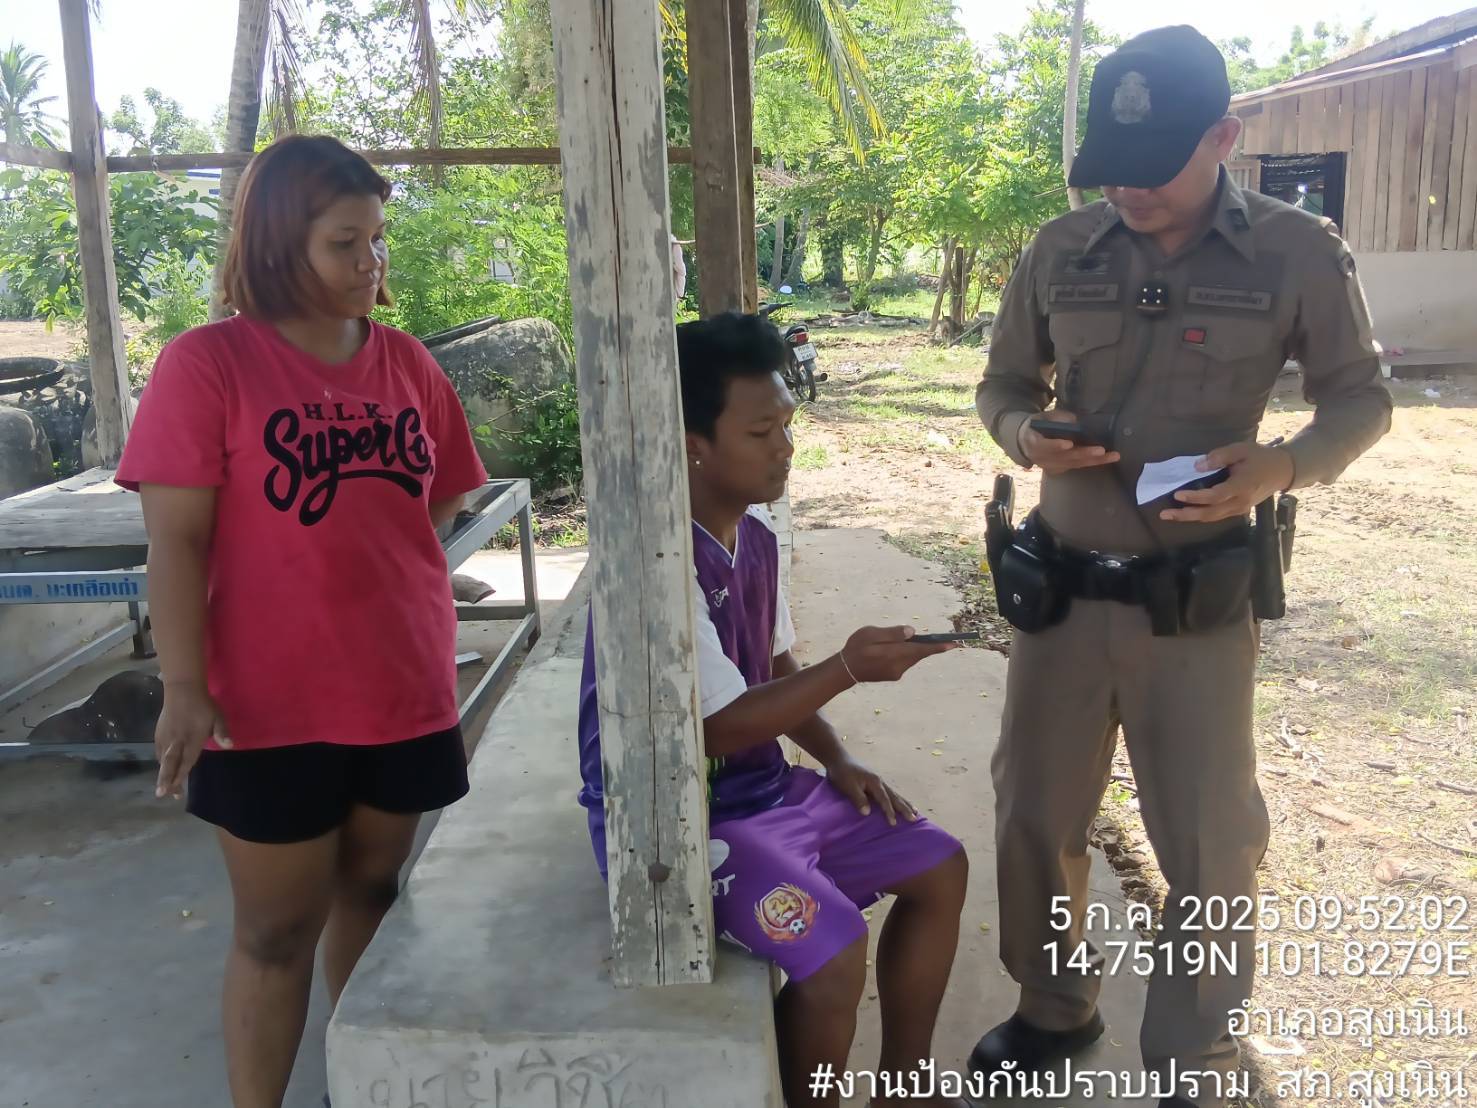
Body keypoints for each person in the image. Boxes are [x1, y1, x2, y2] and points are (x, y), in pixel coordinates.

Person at [971, 26, 1391, 1108]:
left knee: (1208, 840)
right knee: (1032, 816)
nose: (1127, 187)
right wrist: (1025, 436)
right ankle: (1053, 1007)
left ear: (1222, 137)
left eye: (1153, 163)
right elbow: (1001, 386)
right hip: (1060, 596)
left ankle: (1195, 1052)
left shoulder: (1297, 251)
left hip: (1193, 607)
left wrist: (1281, 467)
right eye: (1110, 165)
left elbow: (1360, 398)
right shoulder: (1061, 247)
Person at [115, 135, 488, 1108]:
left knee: (372, 895)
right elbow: (176, 542)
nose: (370, 261)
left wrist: (376, 575)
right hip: (266, 703)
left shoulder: (406, 362)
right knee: (276, 930)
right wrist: (184, 687)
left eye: (377, 238)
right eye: (343, 243)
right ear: (281, 243)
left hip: (402, 686)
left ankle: (359, 1089)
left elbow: (445, 494)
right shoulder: (209, 365)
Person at [576, 312, 970, 1108]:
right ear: (692, 442)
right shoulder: (655, 567)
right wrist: (849, 668)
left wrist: (837, 758)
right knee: (833, 955)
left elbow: (775, 665)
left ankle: (905, 1086)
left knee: (939, 865)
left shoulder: (752, 538)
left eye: (787, 425)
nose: (785, 447)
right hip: (679, 819)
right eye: (761, 432)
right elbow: (713, 728)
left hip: (765, 790)